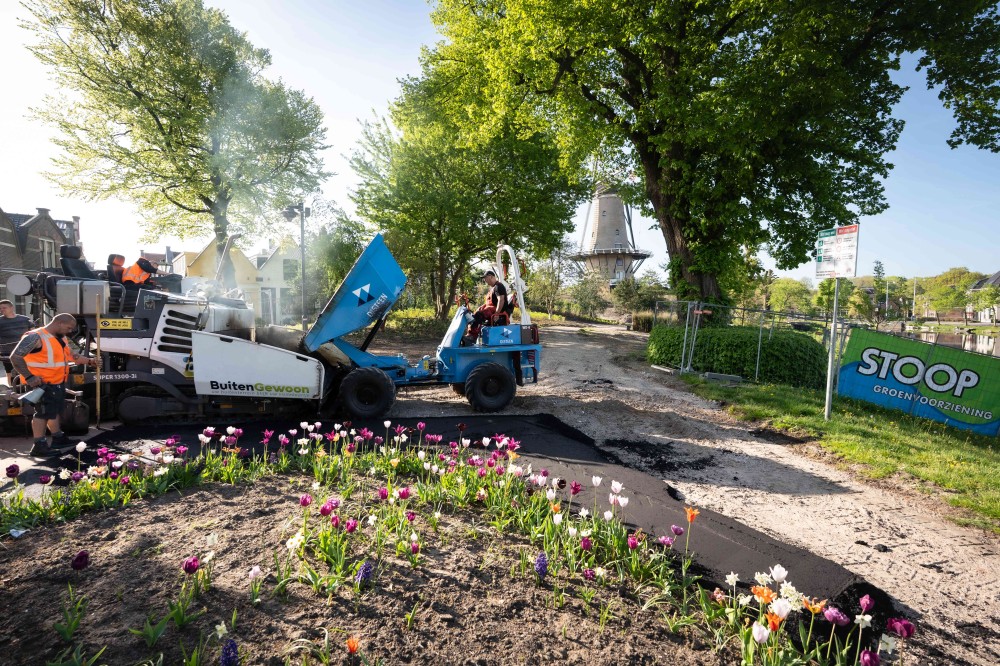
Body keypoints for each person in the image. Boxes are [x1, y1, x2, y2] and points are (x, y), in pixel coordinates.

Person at [9, 313, 99, 457]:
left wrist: (89, 361)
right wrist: (29, 377)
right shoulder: (35, 337)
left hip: (57, 382)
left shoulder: (61, 338)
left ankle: (58, 438)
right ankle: (39, 446)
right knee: (42, 414)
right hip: (41, 384)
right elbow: (15, 357)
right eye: (69, 328)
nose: (70, 331)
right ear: (59, 323)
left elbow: (72, 356)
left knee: (53, 411)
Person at [469, 269, 515, 334]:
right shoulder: (493, 288)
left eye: (485, 278)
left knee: (479, 315)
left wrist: (497, 313)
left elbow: (501, 300)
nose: (485, 280)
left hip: (498, 312)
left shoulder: (498, 286)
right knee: (474, 315)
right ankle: (473, 333)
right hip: (492, 310)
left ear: (491, 276)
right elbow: (489, 303)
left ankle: (472, 335)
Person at [0, 300, 34, 385]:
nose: (2, 310)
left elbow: (33, 333)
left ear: (11, 308)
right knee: (10, 372)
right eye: (0, 308)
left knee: (27, 370)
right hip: (7, 352)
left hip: (25, 351)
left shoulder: (25, 319)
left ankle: (27, 388)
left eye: (4, 308)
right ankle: (12, 389)